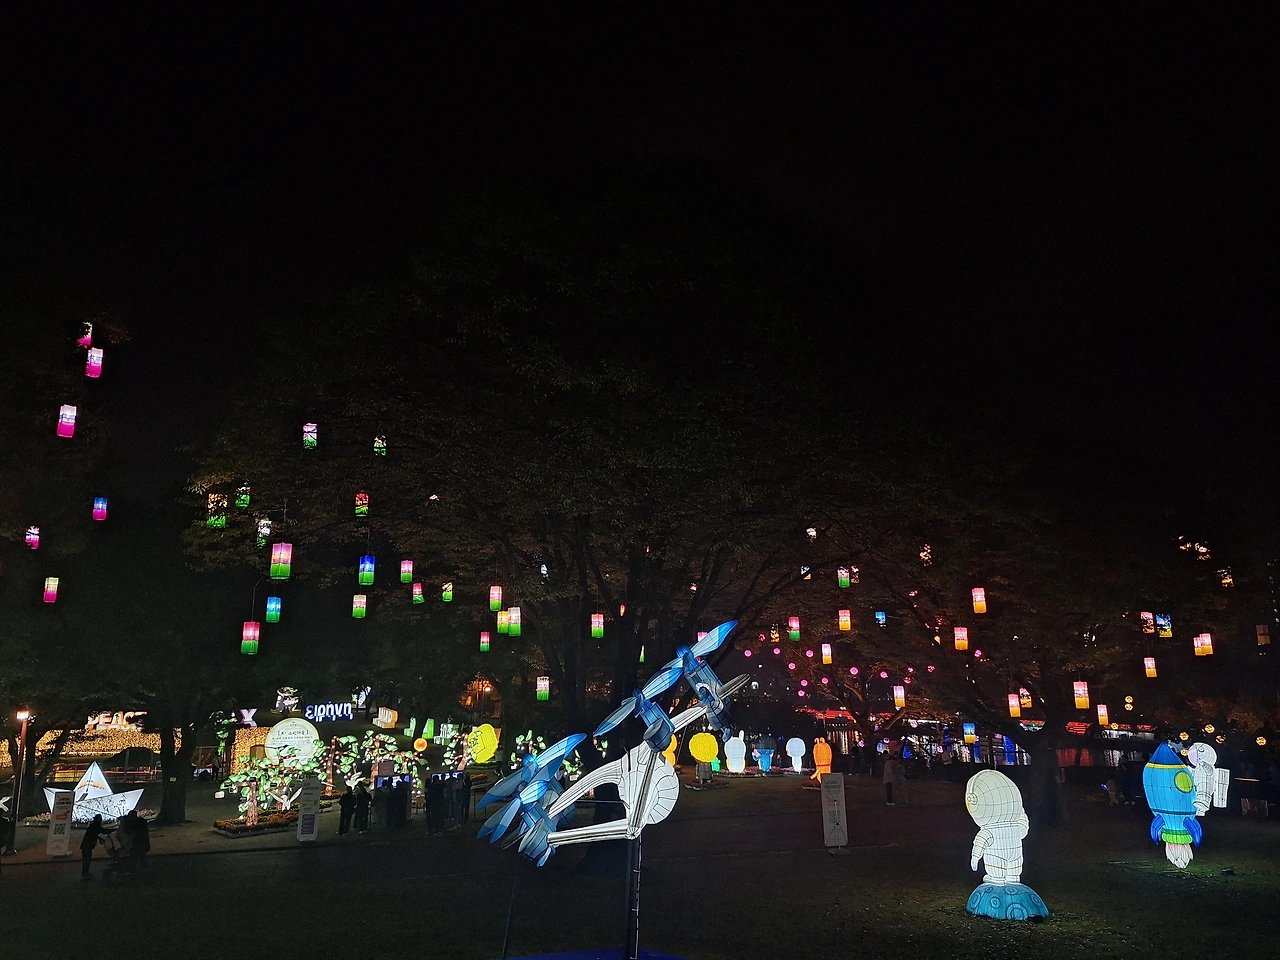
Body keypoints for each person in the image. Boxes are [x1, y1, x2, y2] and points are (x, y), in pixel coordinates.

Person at [80, 814, 110, 879]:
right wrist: (114, 829)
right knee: (87, 859)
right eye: (100, 818)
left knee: (86, 859)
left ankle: (85, 873)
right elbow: (104, 831)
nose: (101, 820)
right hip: (87, 845)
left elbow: (93, 834)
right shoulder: (96, 825)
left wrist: (99, 838)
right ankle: (85, 874)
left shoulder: (93, 825)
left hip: (86, 844)